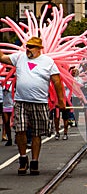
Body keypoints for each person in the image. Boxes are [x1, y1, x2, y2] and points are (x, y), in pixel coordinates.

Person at [0, 37, 65, 175]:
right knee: (20, 130)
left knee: (37, 133)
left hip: (40, 102)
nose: (28, 49)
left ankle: (34, 161)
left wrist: (61, 100)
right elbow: (2, 58)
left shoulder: (48, 61)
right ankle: (23, 159)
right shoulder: (19, 57)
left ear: (39, 49)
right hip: (21, 101)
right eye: (27, 46)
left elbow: (57, 81)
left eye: (31, 47)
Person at [2, 72, 14, 146]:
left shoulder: (15, 80)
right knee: (6, 122)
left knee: (16, 123)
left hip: (13, 104)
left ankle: (18, 137)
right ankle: (9, 139)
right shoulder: (3, 80)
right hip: (5, 105)